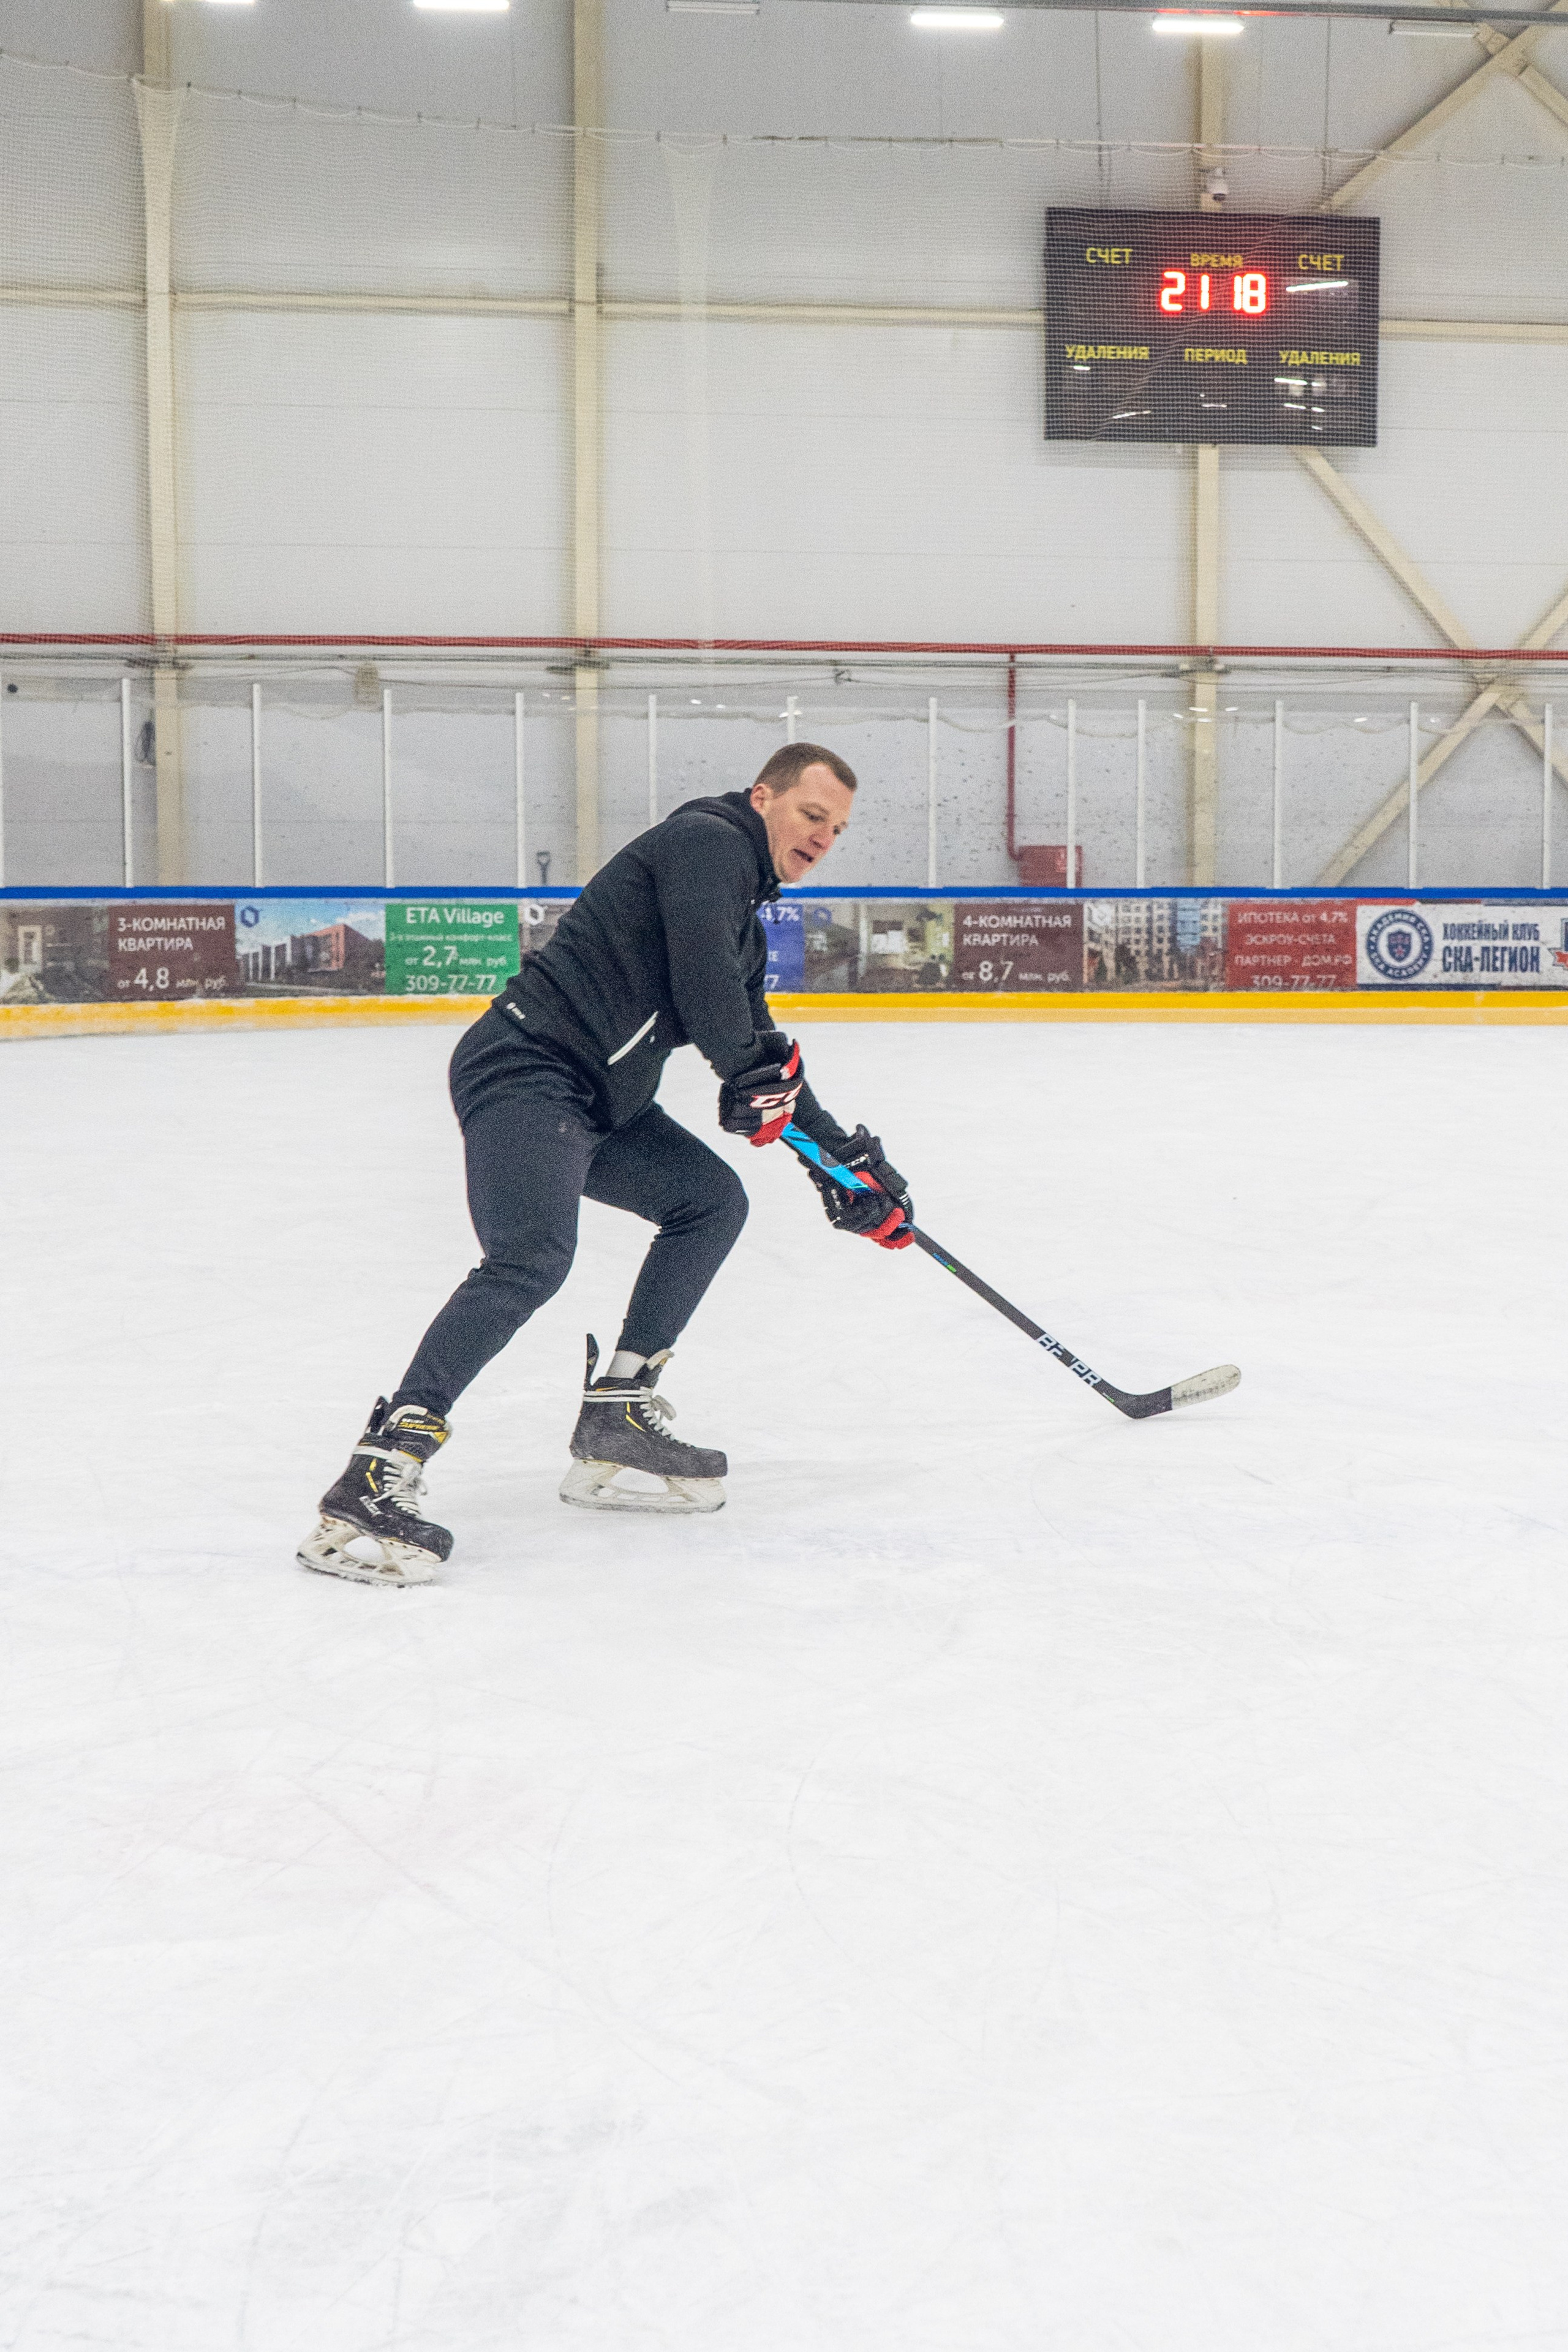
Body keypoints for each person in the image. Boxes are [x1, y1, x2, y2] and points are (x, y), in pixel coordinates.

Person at [298, 742, 914, 1588]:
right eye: (812, 816)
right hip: (526, 1070)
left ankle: (618, 1410)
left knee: (709, 1202)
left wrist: (837, 1162)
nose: (822, 838)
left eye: (837, 830)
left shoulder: (742, 920)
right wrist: (757, 1081)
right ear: (764, 796)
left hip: (599, 1103)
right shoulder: (708, 843)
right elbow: (710, 1001)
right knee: (531, 1258)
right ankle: (376, 1470)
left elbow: (750, 1036)